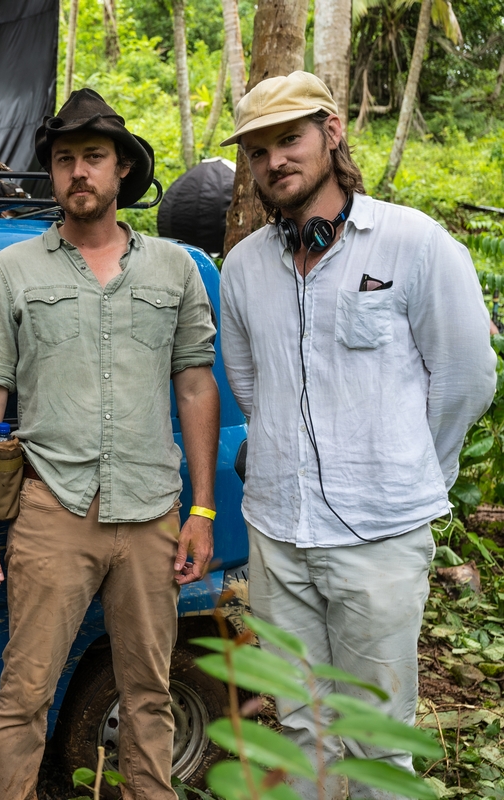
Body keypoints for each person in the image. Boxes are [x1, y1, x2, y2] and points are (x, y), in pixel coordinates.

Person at [219, 71, 496, 799]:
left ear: (332, 132)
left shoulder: (413, 242)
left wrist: (408, 474)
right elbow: (253, 389)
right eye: (258, 151)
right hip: (277, 533)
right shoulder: (243, 267)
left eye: (290, 139)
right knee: (301, 729)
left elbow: (466, 379)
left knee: (375, 743)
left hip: (380, 536)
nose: (274, 160)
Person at [0, 88, 219, 800]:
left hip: (151, 512)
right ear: (52, 171)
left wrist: (202, 511)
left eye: (94, 156)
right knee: (23, 694)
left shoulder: (175, 270)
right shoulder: (13, 270)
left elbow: (196, 387)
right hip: (52, 509)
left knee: (149, 693)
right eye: (65, 158)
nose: (79, 171)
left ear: (121, 169)